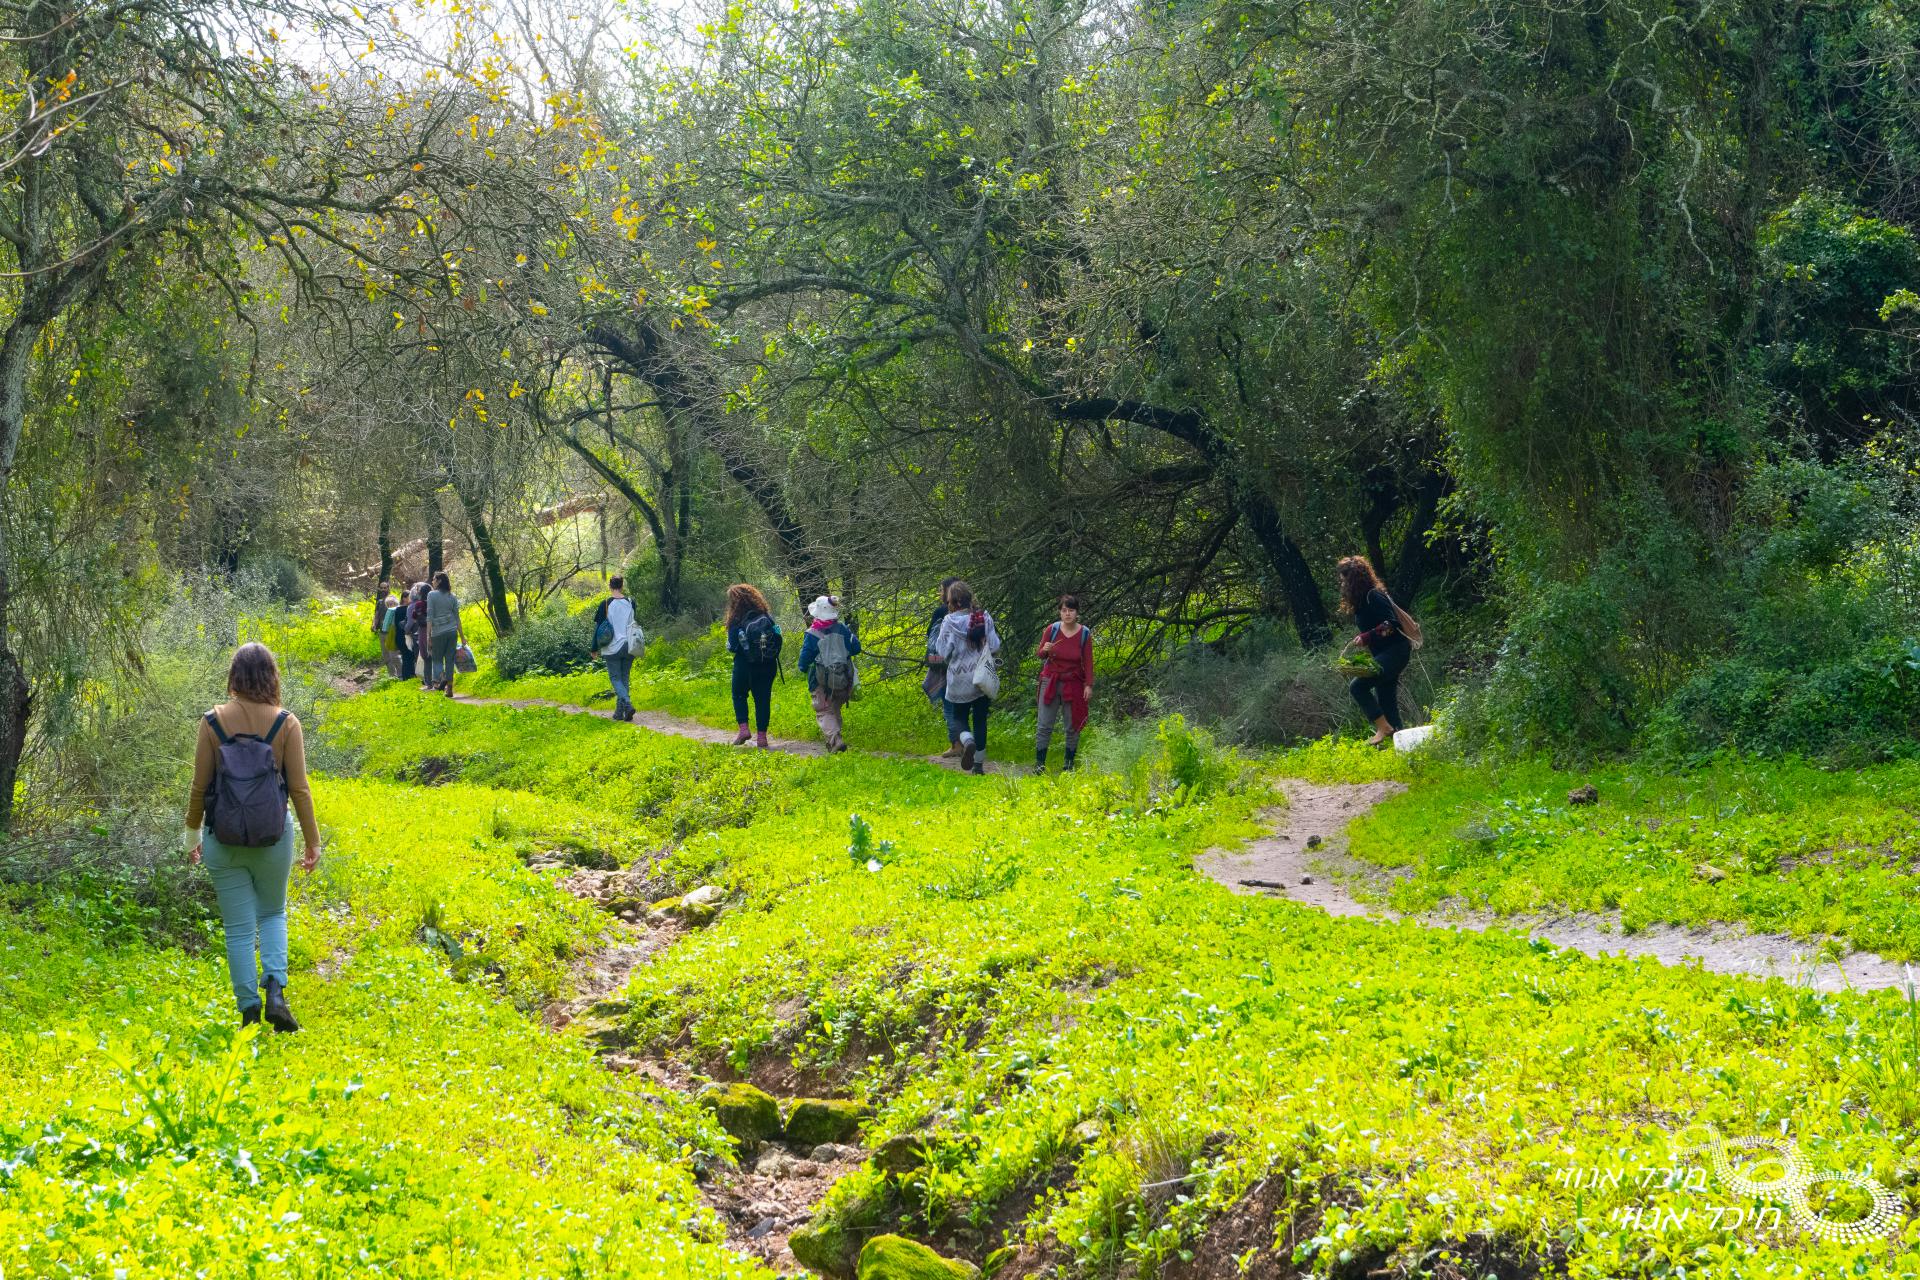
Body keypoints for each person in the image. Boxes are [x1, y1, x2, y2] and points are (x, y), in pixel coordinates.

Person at [185, 642, 319, 1031]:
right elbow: (300, 790)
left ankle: (248, 1009)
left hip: (222, 839)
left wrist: (191, 834)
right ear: (271, 676)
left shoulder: (212, 722)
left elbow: (199, 786)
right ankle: (276, 990)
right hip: (273, 837)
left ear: (234, 678)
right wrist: (313, 840)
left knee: (239, 928)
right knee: (273, 912)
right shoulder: (286, 723)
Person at [1338, 555, 1419, 747]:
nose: (1342, 584)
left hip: (1396, 652)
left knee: (1358, 687)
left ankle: (1383, 728)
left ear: (1353, 580)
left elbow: (1391, 624)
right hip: (1386, 654)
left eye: (1344, 579)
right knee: (1387, 702)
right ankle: (1401, 745)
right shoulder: (1362, 601)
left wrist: (1366, 636)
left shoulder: (1373, 595)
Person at [932, 580, 1001, 775]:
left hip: (958, 680)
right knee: (980, 720)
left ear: (952, 601)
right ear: (970, 598)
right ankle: (978, 766)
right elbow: (995, 646)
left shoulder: (949, 621)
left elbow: (943, 651)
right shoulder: (984, 617)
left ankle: (967, 741)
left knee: (959, 717)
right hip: (981, 677)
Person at [1034, 593, 1094, 772]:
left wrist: (1088, 685)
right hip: (1050, 680)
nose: (1067, 614)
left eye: (1071, 610)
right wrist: (1045, 649)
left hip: (1073, 683)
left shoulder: (1084, 633)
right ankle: (1039, 764)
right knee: (1044, 724)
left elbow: (1088, 661)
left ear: (1077, 613)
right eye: (1064, 610)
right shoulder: (1051, 630)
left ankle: (1068, 765)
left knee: (1072, 725)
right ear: (1060, 612)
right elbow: (1040, 655)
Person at [797, 595, 861, 753]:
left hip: (819, 682)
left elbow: (804, 660)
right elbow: (856, 648)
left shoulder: (812, 634)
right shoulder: (843, 629)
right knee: (834, 708)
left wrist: (803, 668)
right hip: (843, 678)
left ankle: (835, 740)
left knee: (824, 710)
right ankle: (835, 740)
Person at [724, 583, 782, 747]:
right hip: (767, 664)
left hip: (744, 664)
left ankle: (744, 729)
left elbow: (733, 646)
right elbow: (777, 635)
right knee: (763, 699)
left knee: (739, 694)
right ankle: (762, 738)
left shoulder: (736, 620)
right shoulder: (766, 616)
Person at [590, 575, 641, 721]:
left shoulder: (605, 604)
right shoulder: (631, 602)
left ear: (610, 586)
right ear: (622, 586)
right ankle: (620, 714)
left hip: (612, 648)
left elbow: (599, 628)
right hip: (630, 645)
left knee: (615, 678)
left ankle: (627, 703)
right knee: (624, 678)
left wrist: (594, 648)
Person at [924, 576, 961, 756]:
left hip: (945, 663)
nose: (939, 593)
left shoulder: (941, 612)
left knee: (948, 704)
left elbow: (929, 634)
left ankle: (956, 744)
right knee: (963, 705)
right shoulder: (974, 612)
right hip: (966, 664)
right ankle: (968, 739)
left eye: (941, 589)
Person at [423, 571, 462, 697]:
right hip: (452, 632)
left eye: (434, 579)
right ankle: (449, 689)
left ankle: (441, 677)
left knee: (437, 659)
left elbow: (429, 616)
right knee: (450, 659)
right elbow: (457, 618)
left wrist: (428, 636)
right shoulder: (452, 596)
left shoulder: (431, 595)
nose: (432, 581)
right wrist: (462, 636)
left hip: (438, 633)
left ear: (439, 581)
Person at [405, 582, 430, 686]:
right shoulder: (433, 602)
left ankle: (427, 680)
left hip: (420, 633)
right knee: (435, 656)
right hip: (436, 630)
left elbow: (412, 620)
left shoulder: (414, 606)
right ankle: (439, 678)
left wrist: (406, 630)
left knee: (423, 656)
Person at [377, 590, 403, 677]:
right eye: (388, 604)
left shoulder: (398, 610)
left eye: (392, 603)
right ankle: (392, 675)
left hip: (392, 634)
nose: (390, 606)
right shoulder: (380, 603)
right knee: (387, 655)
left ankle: (400, 674)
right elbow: (377, 615)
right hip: (383, 633)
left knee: (394, 655)